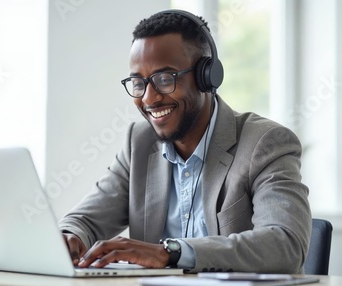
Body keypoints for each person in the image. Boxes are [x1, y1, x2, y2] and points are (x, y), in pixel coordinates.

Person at [58, 9, 311, 274]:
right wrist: (70, 237)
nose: (149, 98)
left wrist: (171, 253)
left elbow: (286, 245)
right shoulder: (139, 143)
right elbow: (84, 220)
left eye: (164, 79)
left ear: (207, 76)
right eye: (138, 82)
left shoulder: (265, 143)